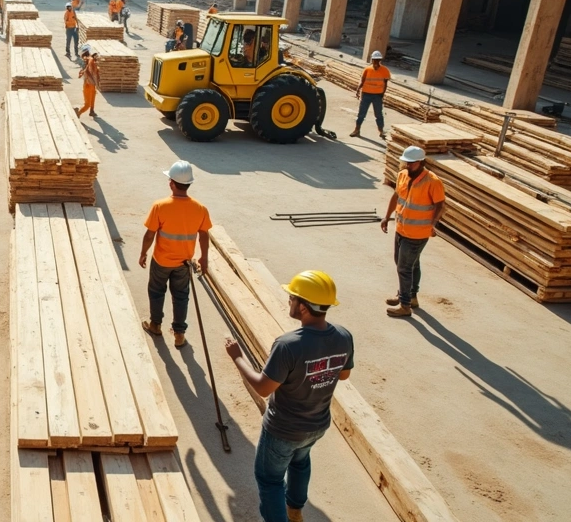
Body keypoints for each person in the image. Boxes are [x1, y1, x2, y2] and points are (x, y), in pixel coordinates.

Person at [223, 270, 353, 522]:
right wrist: (318, 375)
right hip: (317, 424)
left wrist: (237, 357)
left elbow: (263, 388)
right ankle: (295, 511)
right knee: (300, 463)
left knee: (269, 479)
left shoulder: (288, 345)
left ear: (303, 307)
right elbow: (344, 375)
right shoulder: (343, 336)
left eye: (292, 297)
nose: (289, 301)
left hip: (283, 430)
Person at [139, 161, 211, 348]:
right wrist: (204, 257)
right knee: (181, 296)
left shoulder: (160, 206)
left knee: (156, 292)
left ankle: (155, 325)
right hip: (184, 263)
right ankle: (179, 334)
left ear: (171, 183)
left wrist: (143, 253)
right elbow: (204, 235)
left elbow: (150, 234)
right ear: (189, 184)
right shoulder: (200, 208)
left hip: (161, 261)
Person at [382, 146, 445, 318]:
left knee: (404, 267)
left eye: (411, 164)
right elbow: (396, 197)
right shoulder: (403, 175)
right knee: (410, 264)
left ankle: (405, 305)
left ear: (421, 163)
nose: (407, 166)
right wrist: (387, 217)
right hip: (402, 229)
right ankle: (411, 296)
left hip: (418, 234)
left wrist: (433, 225)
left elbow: (440, 205)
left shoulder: (433, 181)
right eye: (406, 162)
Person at [352, 50, 390, 139]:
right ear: (372, 60)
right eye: (374, 60)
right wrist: (358, 89)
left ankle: (381, 131)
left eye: (378, 60)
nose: (376, 62)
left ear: (380, 60)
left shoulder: (385, 70)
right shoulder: (367, 69)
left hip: (377, 95)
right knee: (361, 114)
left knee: (378, 115)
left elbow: (385, 84)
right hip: (366, 95)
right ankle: (357, 130)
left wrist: (382, 94)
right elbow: (363, 80)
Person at [75, 45, 100, 118]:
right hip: (89, 84)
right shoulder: (90, 60)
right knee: (87, 104)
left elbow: (90, 71)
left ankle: (91, 111)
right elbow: (90, 71)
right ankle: (78, 112)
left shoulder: (89, 60)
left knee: (93, 97)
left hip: (90, 84)